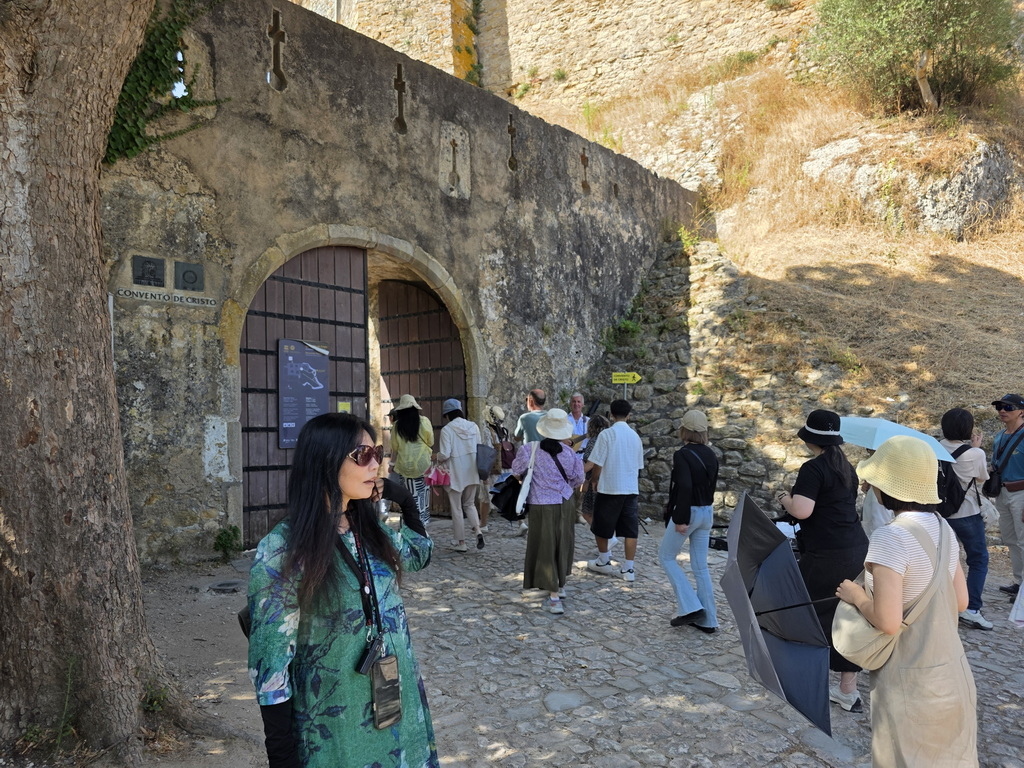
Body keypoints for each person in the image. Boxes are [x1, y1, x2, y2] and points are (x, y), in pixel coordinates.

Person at [247, 413, 437, 768]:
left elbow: (420, 555)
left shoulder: (370, 527)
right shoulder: (283, 549)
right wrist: (283, 757)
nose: (375, 464)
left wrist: (405, 501)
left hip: (396, 704)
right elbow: (271, 665)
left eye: (377, 453)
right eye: (362, 455)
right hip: (334, 725)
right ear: (326, 461)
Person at [837, 435, 976, 768]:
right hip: (952, 673)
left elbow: (887, 622)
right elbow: (961, 601)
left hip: (910, 681)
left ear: (887, 486)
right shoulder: (943, 528)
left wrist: (856, 596)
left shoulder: (891, 536)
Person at [776, 409, 869, 713]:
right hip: (855, 549)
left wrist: (784, 499)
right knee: (847, 618)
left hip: (827, 553)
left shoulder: (813, 468)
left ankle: (799, 675)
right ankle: (848, 690)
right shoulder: (846, 467)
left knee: (799, 607)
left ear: (810, 439)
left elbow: (802, 510)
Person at [512, 409, 584, 614]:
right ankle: (559, 585)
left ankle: (553, 595)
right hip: (564, 503)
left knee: (545, 545)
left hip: (540, 504)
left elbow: (516, 471)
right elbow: (579, 478)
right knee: (562, 543)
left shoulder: (529, 450)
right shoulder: (569, 453)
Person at [659, 410, 721, 634]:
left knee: (666, 557)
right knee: (700, 567)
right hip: (707, 512)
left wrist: (681, 518)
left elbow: (684, 486)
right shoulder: (712, 454)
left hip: (690, 512)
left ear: (684, 430)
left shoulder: (682, 454)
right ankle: (709, 620)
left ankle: (692, 607)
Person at [939, 408, 993, 630]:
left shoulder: (935, 448)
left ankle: (943, 604)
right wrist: (976, 448)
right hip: (967, 513)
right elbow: (981, 478)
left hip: (940, 513)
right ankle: (971, 608)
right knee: (978, 559)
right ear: (968, 429)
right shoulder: (975, 454)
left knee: (944, 559)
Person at [584, 399, 644, 582]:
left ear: (611, 414)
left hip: (609, 487)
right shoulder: (635, 437)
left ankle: (604, 560)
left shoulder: (607, 434)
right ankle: (629, 568)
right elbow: (638, 465)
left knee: (601, 526)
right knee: (630, 530)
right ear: (629, 415)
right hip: (630, 488)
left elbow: (598, 462)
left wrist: (594, 480)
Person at [437, 398, 484, 552]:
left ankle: (461, 542)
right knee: (469, 504)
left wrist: (436, 456)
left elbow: (445, 454)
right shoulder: (474, 426)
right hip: (472, 470)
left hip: (456, 471)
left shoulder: (447, 430)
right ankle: (478, 530)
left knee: (456, 507)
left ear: (447, 414)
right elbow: (479, 447)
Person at [991, 393, 1024, 596]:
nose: (1002, 410)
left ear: (1021, 412)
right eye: (999, 407)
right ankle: (1019, 582)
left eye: (1008, 407)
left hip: (1021, 494)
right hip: (1002, 493)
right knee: (1011, 539)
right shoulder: (999, 436)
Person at [389, 394, 434, 530]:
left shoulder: (397, 426)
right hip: (423, 466)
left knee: (409, 499)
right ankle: (422, 525)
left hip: (405, 467)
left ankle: (411, 525)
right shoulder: (424, 421)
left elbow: (395, 448)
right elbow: (430, 442)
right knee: (423, 497)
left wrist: (391, 465)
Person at [578, 414, 610, 526]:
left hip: (594, 480)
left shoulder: (594, 441)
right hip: (606, 478)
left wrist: (577, 472)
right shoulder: (608, 439)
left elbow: (591, 463)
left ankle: (602, 533)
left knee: (588, 513)